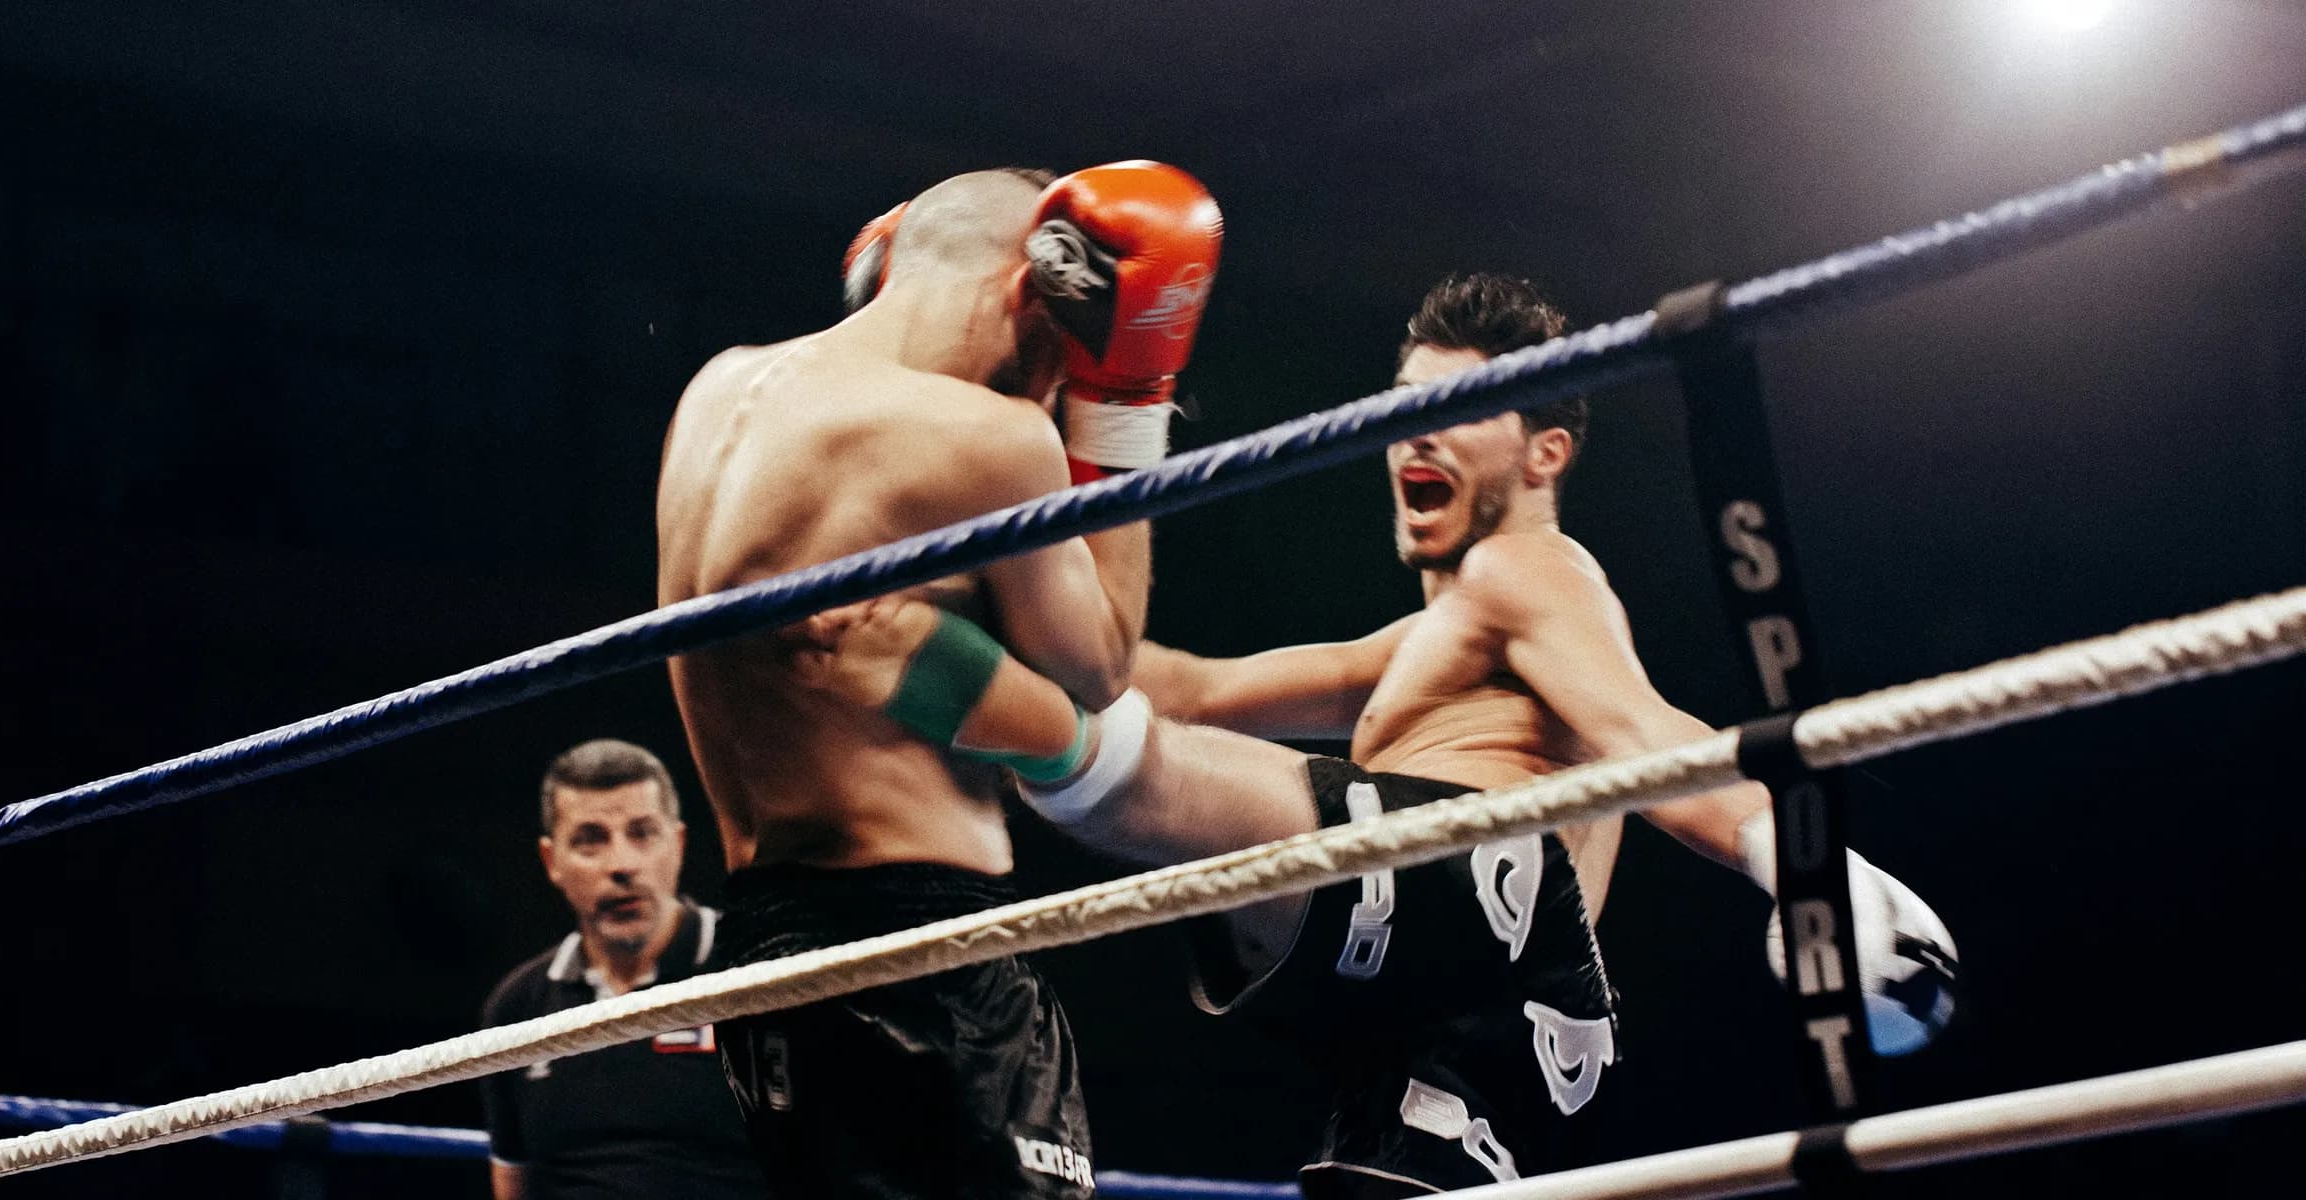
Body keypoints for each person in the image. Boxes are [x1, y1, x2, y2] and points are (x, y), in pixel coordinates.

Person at [789, 273, 1959, 1198]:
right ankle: (951, 672)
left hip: (1503, 924)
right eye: (1405, 412)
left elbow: (1648, 735)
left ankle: (945, 683)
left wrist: (1815, 875)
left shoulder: (1531, 569)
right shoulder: (1422, 643)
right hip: (1451, 1004)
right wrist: (984, 582)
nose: (1416, 438)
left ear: (1548, 453)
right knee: (1137, 748)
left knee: (1136, 782)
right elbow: (1182, 683)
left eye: (1457, 412)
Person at [655, 162, 1224, 1198]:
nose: (1052, 390)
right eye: (1063, 360)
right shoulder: (989, 437)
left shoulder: (715, 393)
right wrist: (1126, 400)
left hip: (760, 959)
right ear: (1026, 296)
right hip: (926, 968)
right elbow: (1101, 664)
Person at [478, 738, 768, 1200]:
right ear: (552, 862)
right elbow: (513, 1188)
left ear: (677, 845)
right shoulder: (518, 1006)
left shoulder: (756, 969)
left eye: (642, 833)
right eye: (590, 840)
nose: (621, 865)